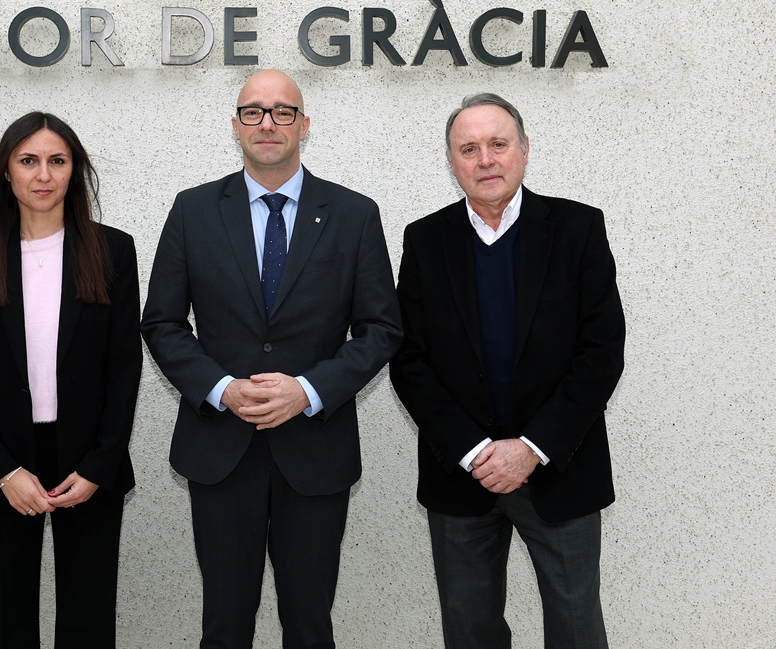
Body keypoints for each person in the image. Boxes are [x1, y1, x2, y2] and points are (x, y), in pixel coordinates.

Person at [141, 69, 403, 649]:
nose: (268, 123)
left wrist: (307, 391)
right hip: (220, 449)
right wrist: (221, 388)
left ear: (304, 126)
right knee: (225, 623)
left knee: (309, 623)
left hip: (315, 453)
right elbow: (161, 322)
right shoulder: (193, 210)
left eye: (283, 112)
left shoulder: (354, 214)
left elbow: (382, 328)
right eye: (254, 111)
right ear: (235, 126)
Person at [390, 92, 627, 649]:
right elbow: (408, 358)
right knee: (470, 633)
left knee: (576, 629)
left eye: (498, 144)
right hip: (462, 474)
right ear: (452, 163)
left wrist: (531, 448)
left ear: (524, 150)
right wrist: (475, 451)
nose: (485, 159)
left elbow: (602, 352)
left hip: (560, 469)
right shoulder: (424, 239)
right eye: (468, 149)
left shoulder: (578, 228)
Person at [0, 112, 142, 648]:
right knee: (5, 625)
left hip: (89, 464)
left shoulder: (113, 250)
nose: (43, 175)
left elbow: (125, 369)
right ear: (6, 172)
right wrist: (3, 470)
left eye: (58, 161)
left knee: (88, 620)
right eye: (28, 161)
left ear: (74, 171)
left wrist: (100, 464)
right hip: (4, 463)